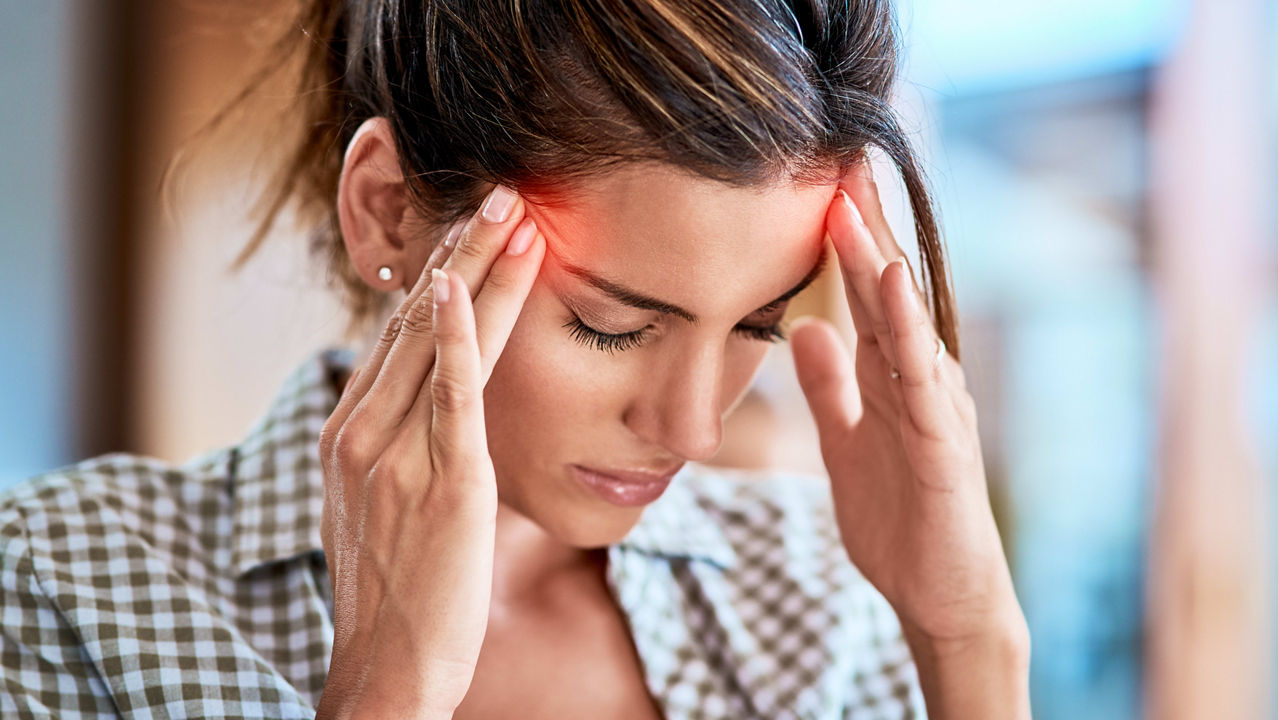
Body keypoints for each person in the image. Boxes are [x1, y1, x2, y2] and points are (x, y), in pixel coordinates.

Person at [0, 0, 1031, 717]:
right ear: (388, 211)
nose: (692, 430)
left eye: (753, 326)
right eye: (611, 325)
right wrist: (383, 700)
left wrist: (968, 639)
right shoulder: (61, 586)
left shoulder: (821, 595)